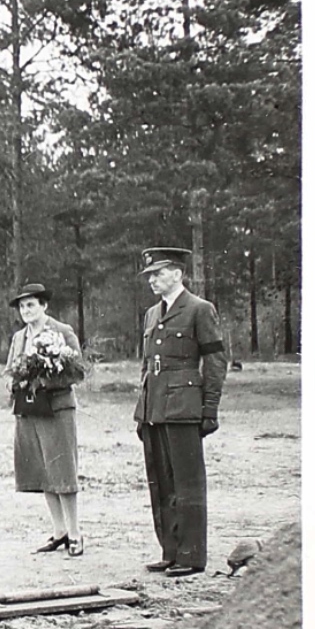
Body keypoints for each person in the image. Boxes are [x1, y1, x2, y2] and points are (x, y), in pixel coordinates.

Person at [134, 247, 228, 577]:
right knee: (161, 483)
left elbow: (215, 361)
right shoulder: (151, 314)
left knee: (187, 483)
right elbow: (146, 365)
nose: (152, 280)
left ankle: (191, 555)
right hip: (155, 408)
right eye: (149, 275)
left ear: (178, 273)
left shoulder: (200, 309)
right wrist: (142, 409)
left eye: (158, 273)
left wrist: (209, 409)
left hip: (184, 407)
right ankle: (170, 550)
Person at [4, 283, 86, 557]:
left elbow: (78, 371)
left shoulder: (62, 332)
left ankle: (75, 533)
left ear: (44, 306)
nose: (26, 311)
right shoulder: (19, 337)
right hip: (29, 410)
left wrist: (46, 377)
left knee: (62, 468)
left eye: (31, 305)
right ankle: (59, 531)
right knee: (41, 469)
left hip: (57, 409)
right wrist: (14, 381)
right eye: (22, 306)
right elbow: (9, 369)